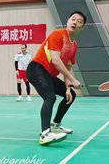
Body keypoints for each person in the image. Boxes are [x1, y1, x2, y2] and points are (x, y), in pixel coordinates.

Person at [27, 11, 86, 145]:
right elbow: (56, 61)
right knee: (50, 97)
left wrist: (67, 88)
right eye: (73, 19)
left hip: (49, 74)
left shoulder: (74, 45)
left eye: (79, 21)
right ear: (68, 21)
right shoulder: (58, 35)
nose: (75, 22)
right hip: (37, 69)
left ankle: (56, 124)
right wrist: (73, 79)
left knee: (70, 95)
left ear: (82, 27)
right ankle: (45, 134)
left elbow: (68, 67)